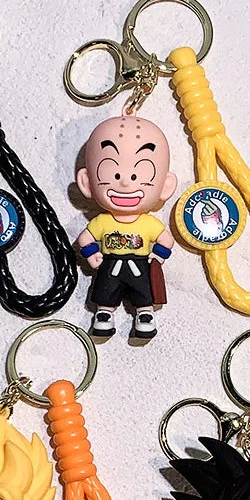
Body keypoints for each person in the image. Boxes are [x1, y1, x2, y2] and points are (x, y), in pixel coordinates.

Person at [75, 115, 177, 341]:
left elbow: (166, 240)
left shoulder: (148, 223)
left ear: (165, 186)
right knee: (105, 292)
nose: (125, 183)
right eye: (114, 173)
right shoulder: (102, 222)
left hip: (139, 265)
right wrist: (91, 254)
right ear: (87, 182)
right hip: (109, 264)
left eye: (137, 174)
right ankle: (103, 315)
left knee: (143, 294)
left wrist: (157, 257)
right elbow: (85, 239)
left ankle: (145, 316)